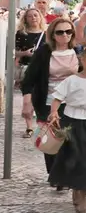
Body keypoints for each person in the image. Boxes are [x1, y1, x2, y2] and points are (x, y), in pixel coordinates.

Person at [46, 46, 86, 213]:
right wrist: (54, 112)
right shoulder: (72, 80)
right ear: (83, 59)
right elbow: (57, 97)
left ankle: (83, 191)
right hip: (72, 120)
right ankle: (78, 191)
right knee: (74, 156)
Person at [20, 17, 80, 184]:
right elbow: (29, 79)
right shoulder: (44, 52)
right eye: (60, 32)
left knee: (71, 138)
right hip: (48, 101)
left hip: (73, 101)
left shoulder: (77, 50)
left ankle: (65, 174)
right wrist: (27, 101)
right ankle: (55, 175)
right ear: (52, 34)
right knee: (52, 139)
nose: (65, 35)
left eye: (68, 31)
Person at [15, 8, 46, 138]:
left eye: (35, 15)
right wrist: (24, 53)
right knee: (27, 101)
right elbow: (14, 52)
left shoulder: (47, 34)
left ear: (40, 17)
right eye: (30, 16)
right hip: (27, 70)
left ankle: (40, 127)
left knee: (39, 100)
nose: (33, 18)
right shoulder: (21, 34)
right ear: (25, 19)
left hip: (43, 71)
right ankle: (29, 127)